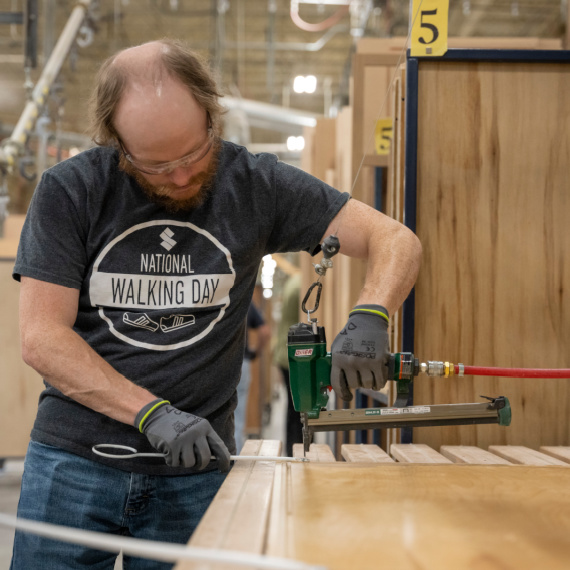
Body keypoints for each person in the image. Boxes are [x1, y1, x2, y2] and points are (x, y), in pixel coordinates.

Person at [10, 39, 422, 569]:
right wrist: (150, 413)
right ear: (117, 142)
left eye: (193, 154)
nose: (180, 177)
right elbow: (42, 336)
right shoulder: (70, 190)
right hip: (72, 467)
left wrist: (371, 314)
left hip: (194, 477)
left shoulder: (256, 185)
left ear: (211, 112)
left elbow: (395, 240)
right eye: (156, 166)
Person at [234, 302, 270, 452]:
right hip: (242, 362)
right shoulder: (244, 300)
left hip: (216, 365)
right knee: (238, 414)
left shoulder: (214, 299)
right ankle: (233, 457)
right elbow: (265, 331)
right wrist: (256, 351)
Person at [273, 272, 303, 456]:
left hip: (287, 353)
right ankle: (296, 451)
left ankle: (292, 450)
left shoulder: (294, 281)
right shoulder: (302, 285)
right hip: (294, 355)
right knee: (299, 407)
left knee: (293, 407)